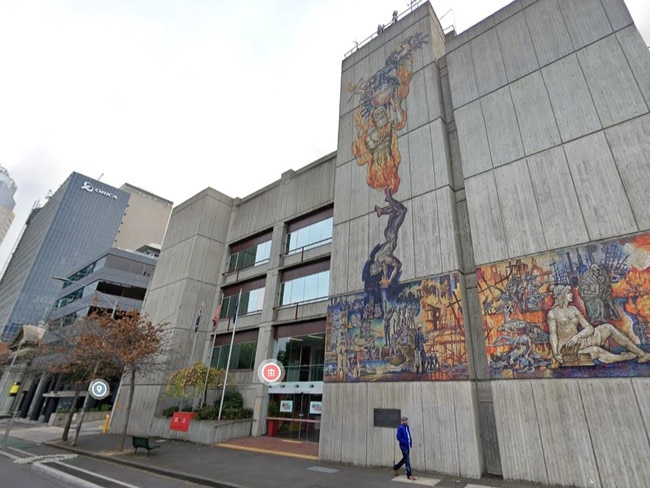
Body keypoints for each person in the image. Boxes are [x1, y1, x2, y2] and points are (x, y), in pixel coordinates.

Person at [547, 285, 650, 365]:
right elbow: (553, 334)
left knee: (608, 327)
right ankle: (624, 357)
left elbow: (589, 328)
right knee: (596, 351)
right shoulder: (552, 313)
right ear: (562, 296)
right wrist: (556, 353)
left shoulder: (573, 310)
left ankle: (641, 354)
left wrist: (577, 337)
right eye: (568, 293)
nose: (572, 294)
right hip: (567, 347)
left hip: (579, 340)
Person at [393, 416, 416, 480]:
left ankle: (396, 467)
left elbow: (408, 435)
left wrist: (409, 442)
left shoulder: (407, 427)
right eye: (406, 420)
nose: (407, 421)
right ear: (403, 421)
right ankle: (409, 475)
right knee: (407, 460)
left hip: (407, 446)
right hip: (403, 446)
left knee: (405, 459)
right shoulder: (400, 428)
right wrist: (404, 442)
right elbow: (398, 437)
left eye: (407, 420)